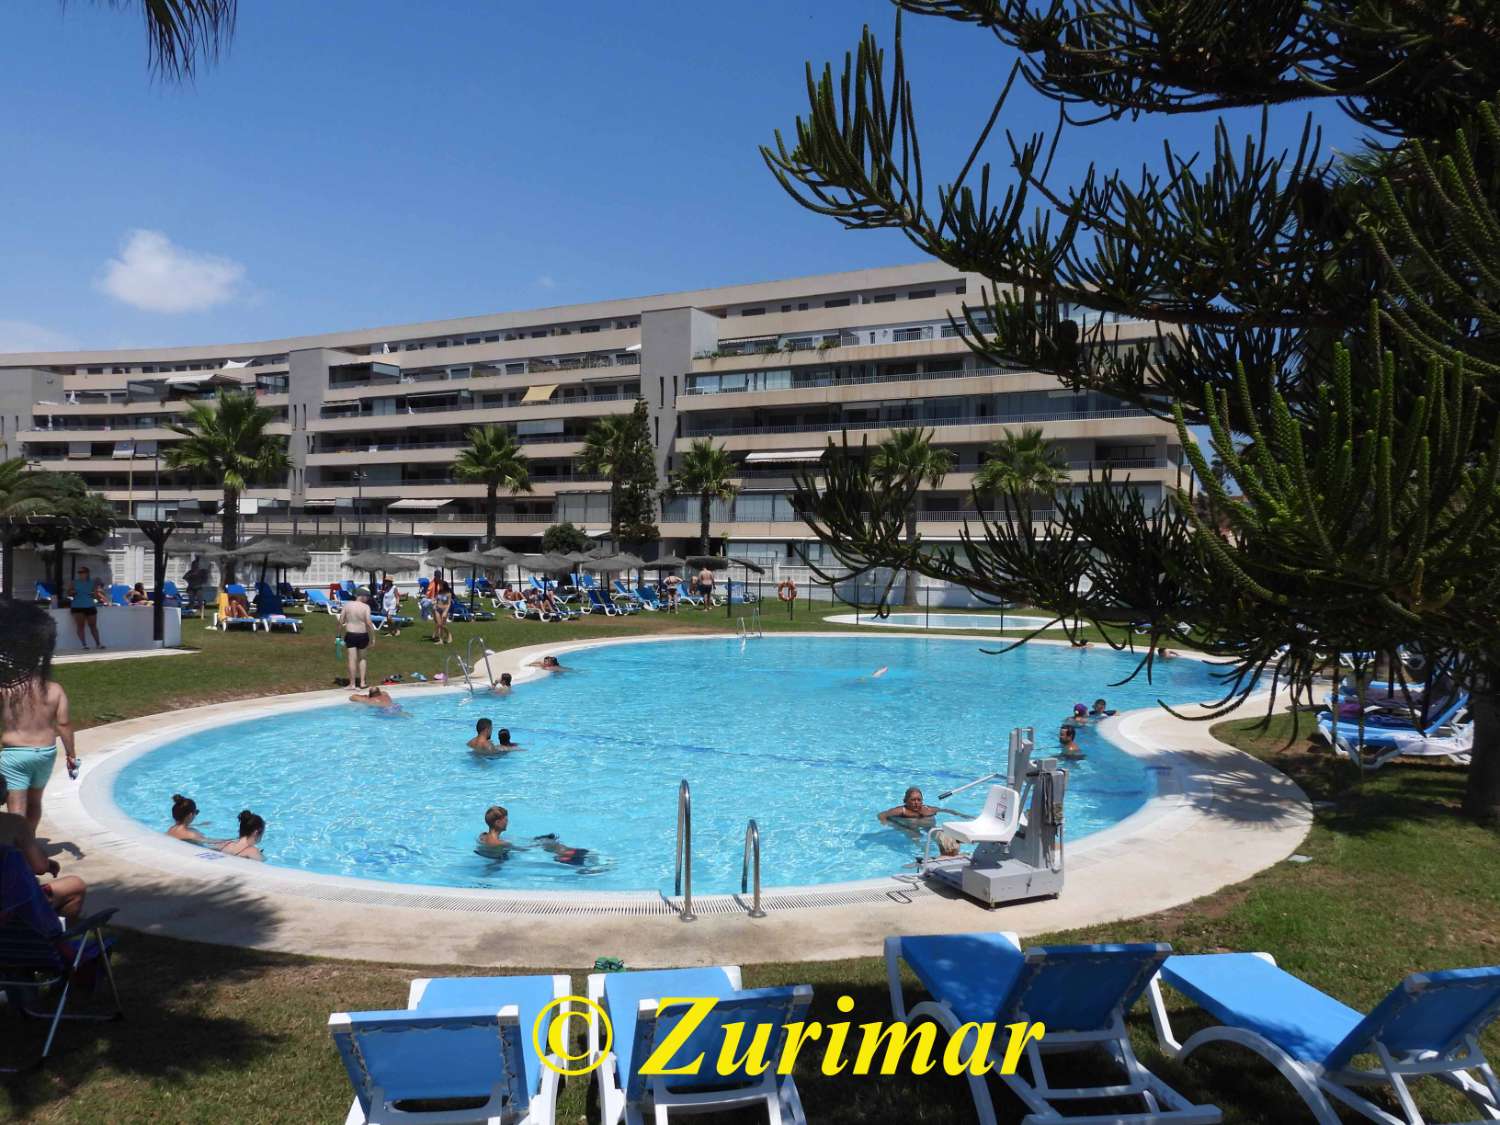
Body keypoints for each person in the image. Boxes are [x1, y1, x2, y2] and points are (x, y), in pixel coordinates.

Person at [1, 641, 76, 837]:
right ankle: (30, 842)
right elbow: (64, 724)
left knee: (17, 806)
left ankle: (18, 849)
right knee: (35, 801)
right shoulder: (55, 689)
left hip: (15, 754)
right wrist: (71, 754)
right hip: (45, 753)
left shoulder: (7, 690)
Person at [0, 801, 87, 920]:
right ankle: (57, 934)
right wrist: (44, 862)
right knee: (76, 885)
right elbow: (40, 867)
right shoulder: (13, 823)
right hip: (10, 909)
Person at [877, 787, 961, 837]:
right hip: (908, 828)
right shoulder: (901, 810)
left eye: (919, 800)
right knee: (915, 835)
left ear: (922, 801)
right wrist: (887, 823)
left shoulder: (928, 810)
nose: (916, 802)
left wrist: (963, 815)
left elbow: (947, 810)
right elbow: (881, 815)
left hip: (928, 827)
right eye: (913, 800)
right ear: (906, 801)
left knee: (939, 834)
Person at [339, 586, 376, 689]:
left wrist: (338, 636)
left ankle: (352, 684)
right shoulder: (366, 607)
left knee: (352, 659)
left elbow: (341, 620)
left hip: (350, 634)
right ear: (362, 596)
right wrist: (373, 637)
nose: (368, 599)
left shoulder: (347, 605)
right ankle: (362, 683)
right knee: (363, 658)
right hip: (363, 635)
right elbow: (369, 623)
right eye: (367, 596)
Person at [69, 565, 104, 649]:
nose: (80, 574)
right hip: (77, 606)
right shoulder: (74, 582)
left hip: (90, 605)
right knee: (80, 626)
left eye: (82, 572)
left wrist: (95, 595)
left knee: (93, 626)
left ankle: (98, 644)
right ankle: (84, 645)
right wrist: (72, 592)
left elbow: (96, 595)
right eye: (79, 572)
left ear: (87, 573)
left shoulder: (92, 582)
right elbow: (69, 593)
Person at [431, 578, 454, 645]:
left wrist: (446, 611)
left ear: (444, 585)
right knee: (439, 624)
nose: (439, 586)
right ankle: (440, 640)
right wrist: (434, 602)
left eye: (440, 585)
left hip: (444, 609)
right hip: (437, 609)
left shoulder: (448, 593)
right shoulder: (439, 592)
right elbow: (436, 600)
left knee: (443, 625)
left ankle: (449, 634)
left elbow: (449, 604)